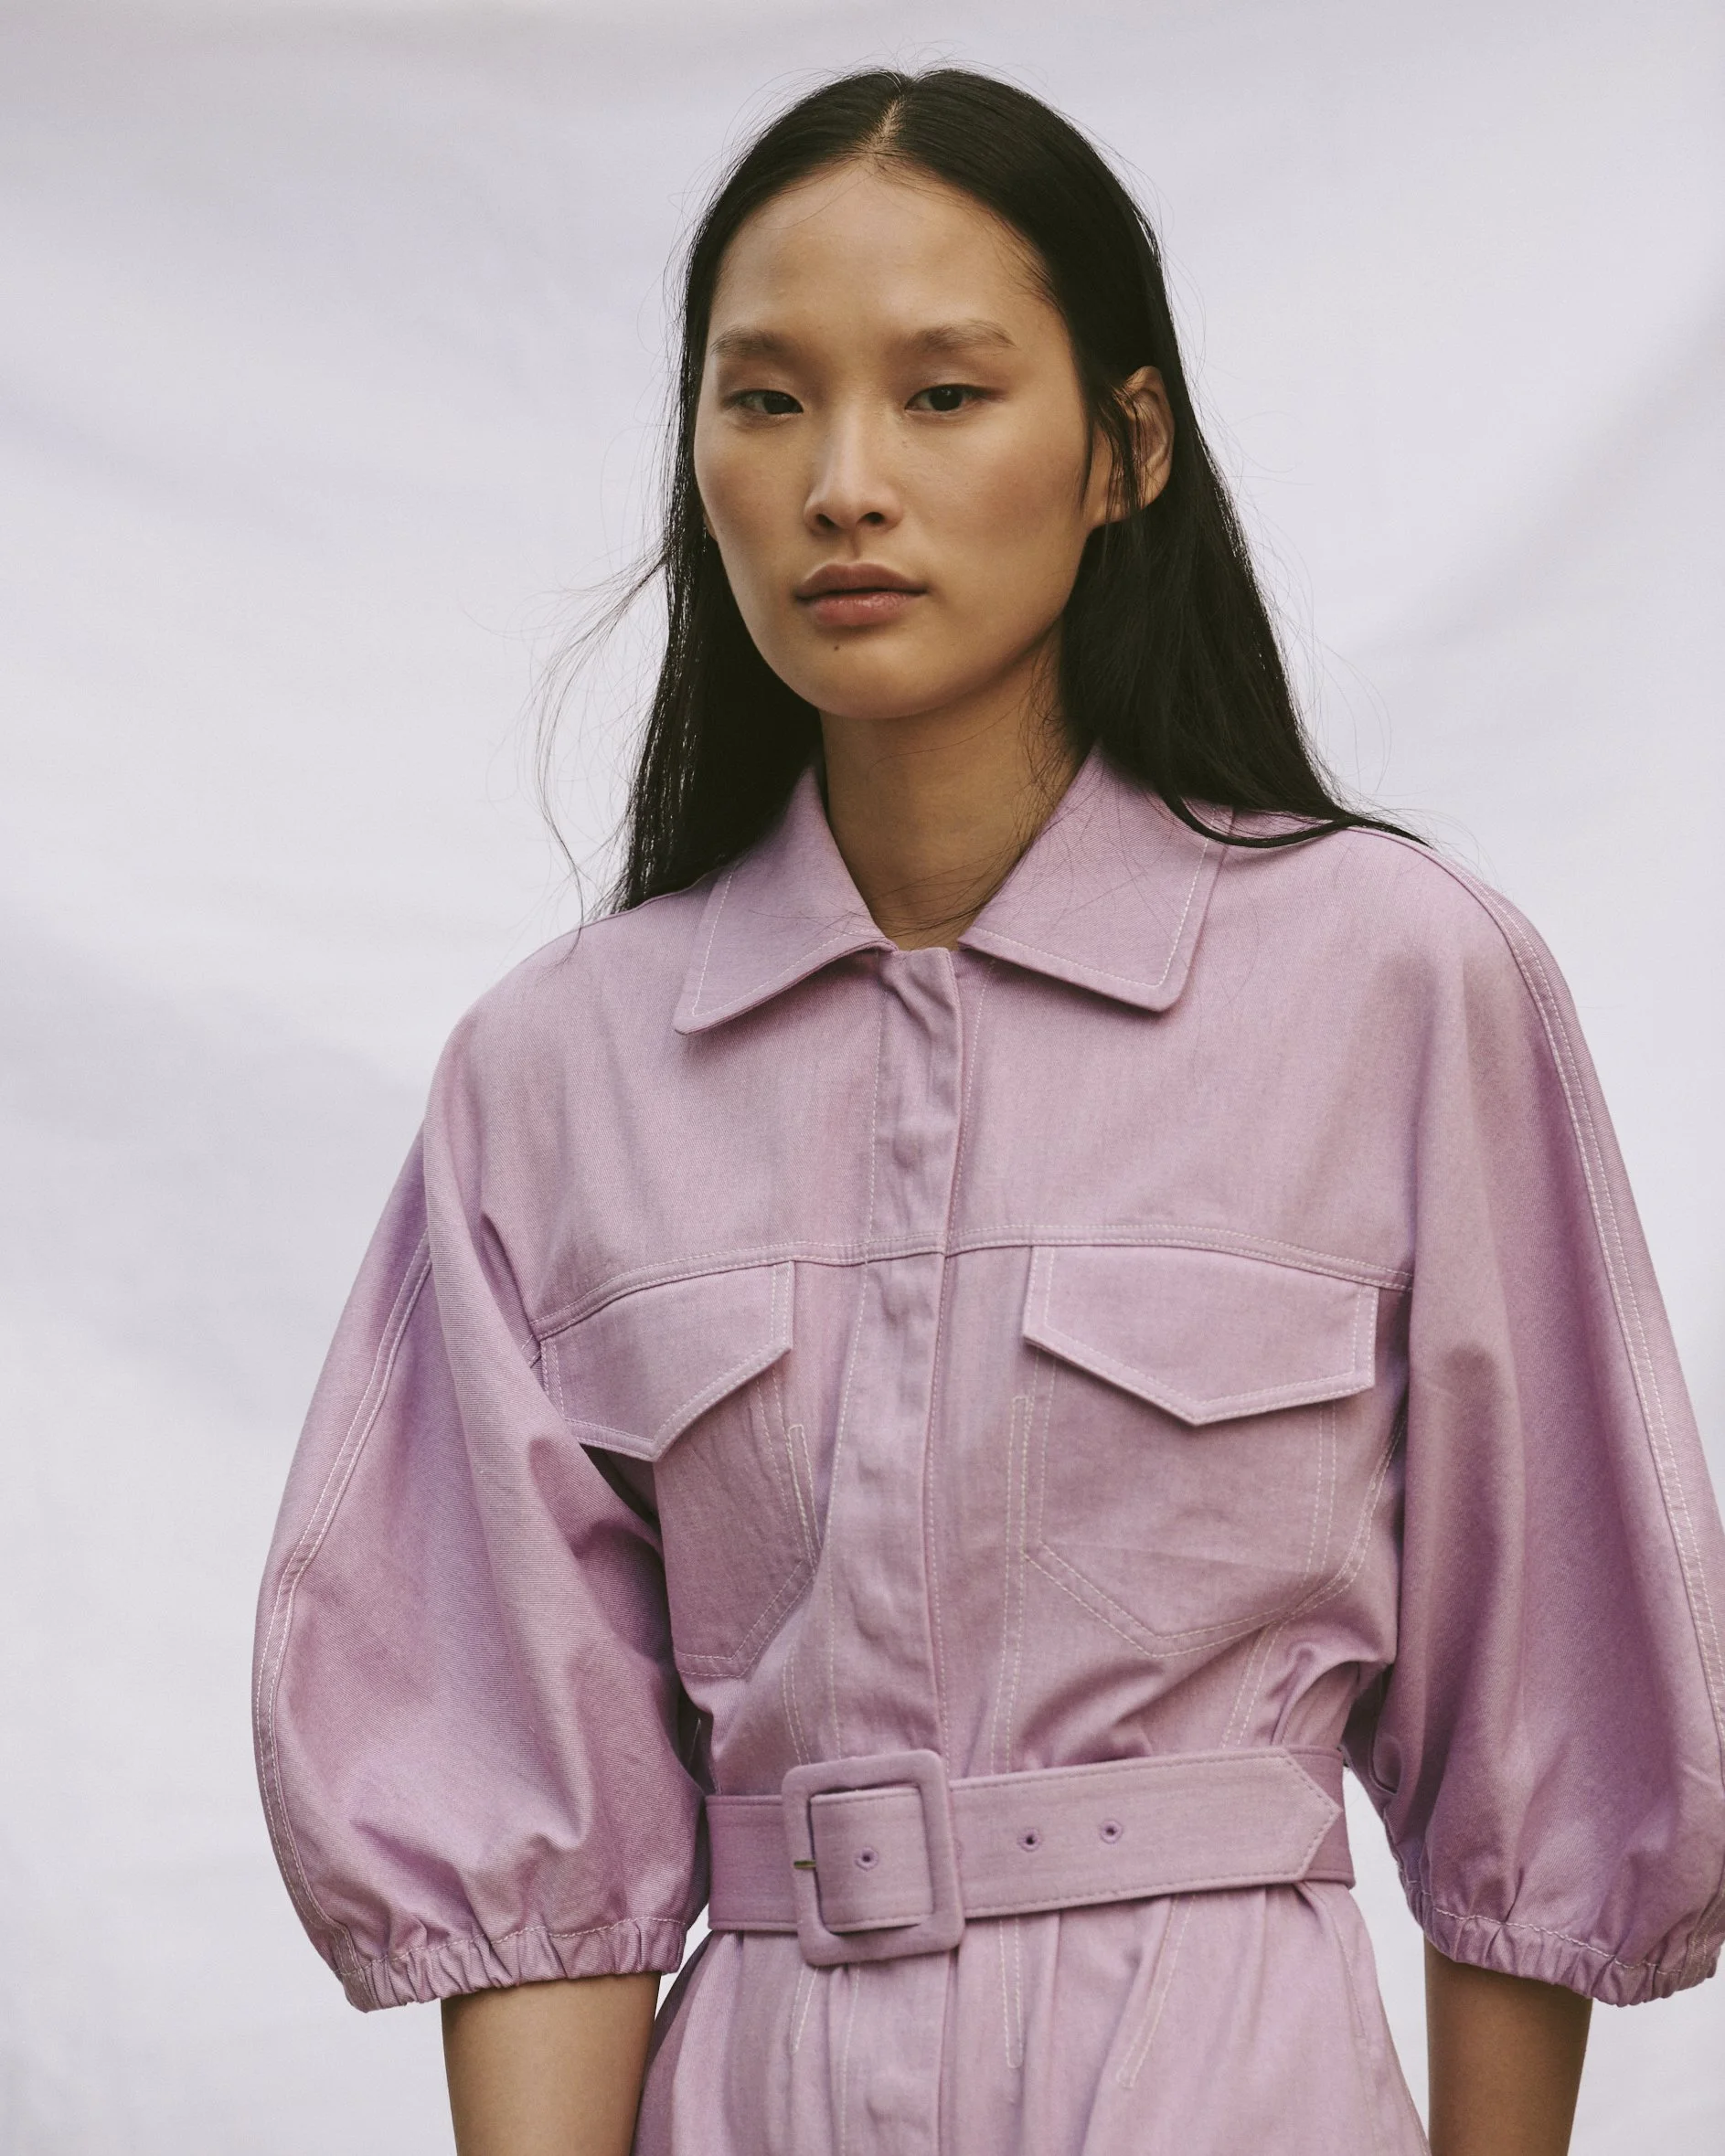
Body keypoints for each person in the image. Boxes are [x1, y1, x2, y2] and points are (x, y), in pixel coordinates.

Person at [252, 68, 1725, 2156]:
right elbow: (527, 1827)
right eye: (764, 402)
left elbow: (1550, 1725)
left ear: (1125, 447)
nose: (844, 481)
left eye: (942, 395)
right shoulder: (553, 1073)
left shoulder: (1398, 984)